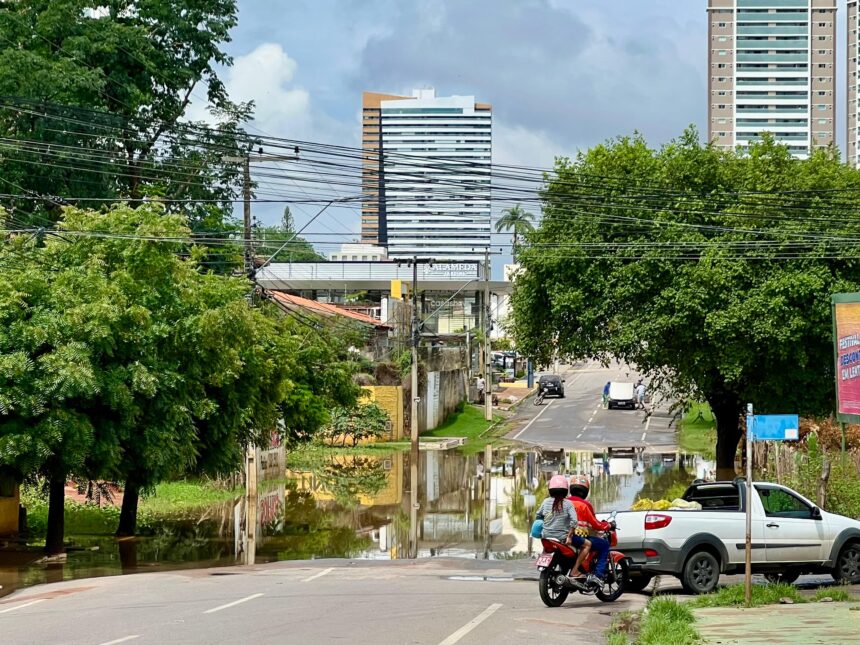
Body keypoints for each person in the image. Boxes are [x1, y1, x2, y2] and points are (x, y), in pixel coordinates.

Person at [535, 475, 591, 576]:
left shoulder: (545, 502)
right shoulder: (568, 504)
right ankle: (575, 571)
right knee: (588, 545)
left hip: (546, 536)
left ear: (550, 489)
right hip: (562, 538)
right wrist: (569, 536)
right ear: (566, 490)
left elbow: (538, 515)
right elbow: (574, 521)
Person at [567, 475, 612, 588]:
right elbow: (595, 524)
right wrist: (607, 525)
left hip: (563, 536)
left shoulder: (564, 502)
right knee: (604, 545)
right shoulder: (585, 505)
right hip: (578, 537)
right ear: (585, 491)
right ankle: (597, 575)